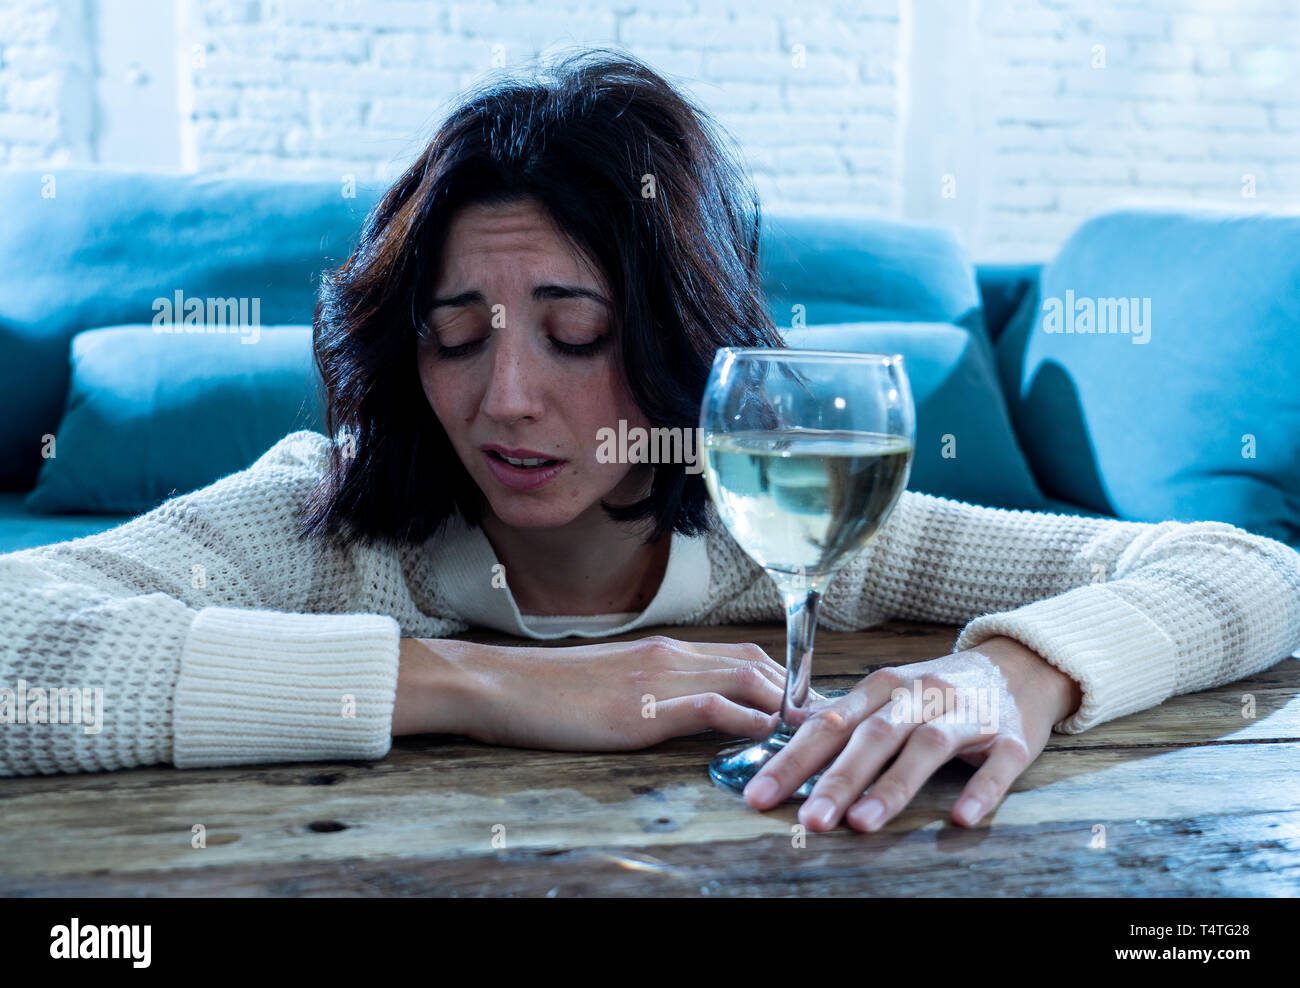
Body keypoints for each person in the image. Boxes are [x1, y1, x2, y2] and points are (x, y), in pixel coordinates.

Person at [2, 50, 1297, 838]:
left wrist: (1007, 679)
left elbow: (1254, 574)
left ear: (684, 343)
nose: (507, 397)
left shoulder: (787, 529)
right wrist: (487, 686)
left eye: (576, 332)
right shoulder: (323, 523)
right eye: (458, 334)